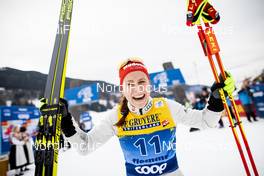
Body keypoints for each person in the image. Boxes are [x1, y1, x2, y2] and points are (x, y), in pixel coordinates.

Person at [41, 58, 235, 176]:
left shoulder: (167, 107)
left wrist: (217, 99)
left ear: (149, 85)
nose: (137, 88)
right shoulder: (115, 116)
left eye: (141, 81)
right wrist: (66, 120)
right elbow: (85, 147)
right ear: (123, 90)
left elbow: (205, 122)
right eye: (130, 84)